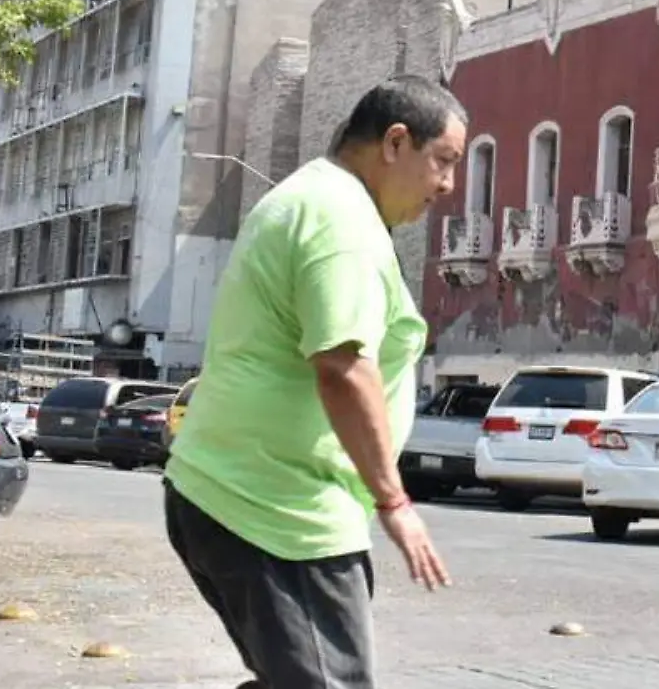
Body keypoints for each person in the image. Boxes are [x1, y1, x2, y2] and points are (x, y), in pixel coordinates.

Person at [163, 76, 467, 688]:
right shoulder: (339, 221)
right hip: (275, 511)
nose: (447, 186)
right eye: (443, 161)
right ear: (395, 142)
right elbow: (343, 368)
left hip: (240, 495)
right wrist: (394, 501)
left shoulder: (315, 198)